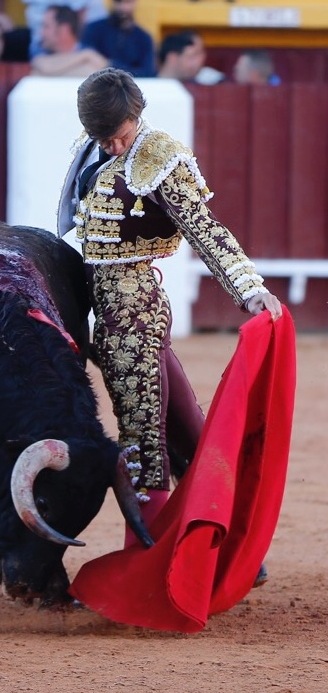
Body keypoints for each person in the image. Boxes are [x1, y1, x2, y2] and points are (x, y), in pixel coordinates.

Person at [57, 67, 281, 544]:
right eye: (103, 138)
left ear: (137, 115)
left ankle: (144, 568)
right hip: (111, 309)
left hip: (135, 313)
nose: (113, 147)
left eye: (119, 136)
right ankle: (236, 544)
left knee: (142, 446)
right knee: (188, 431)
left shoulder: (161, 160)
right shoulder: (92, 144)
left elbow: (206, 230)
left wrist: (248, 288)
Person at [80, 0, 156, 77]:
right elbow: (84, 65)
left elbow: (148, 74)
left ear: (135, 0)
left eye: (127, 1)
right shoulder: (93, 30)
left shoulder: (144, 39)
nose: (122, 7)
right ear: (111, 0)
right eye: (118, 1)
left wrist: (109, 65)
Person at [31, 4, 108, 76]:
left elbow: (98, 71)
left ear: (63, 30)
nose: (41, 33)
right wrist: (85, 55)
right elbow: (42, 65)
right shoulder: (40, 51)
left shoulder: (98, 51)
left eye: (46, 26)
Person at [157, 29, 225, 83]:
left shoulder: (211, 80)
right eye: (193, 56)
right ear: (172, 58)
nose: (201, 59)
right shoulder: (148, 87)